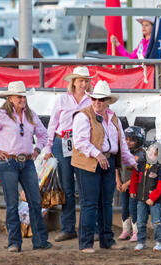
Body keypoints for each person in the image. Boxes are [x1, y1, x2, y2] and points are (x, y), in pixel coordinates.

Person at [0, 81, 52, 252]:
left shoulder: (30, 115)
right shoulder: (1, 115)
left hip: (24, 161)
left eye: (23, 96)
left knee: (35, 201)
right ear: (10, 98)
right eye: (19, 97)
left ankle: (35, 241)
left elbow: (43, 134)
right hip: (8, 161)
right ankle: (15, 241)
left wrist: (38, 149)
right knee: (13, 202)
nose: (22, 99)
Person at [71, 80, 137, 254]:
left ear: (108, 101)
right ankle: (86, 243)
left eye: (100, 100)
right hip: (89, 164)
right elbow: (80, 142)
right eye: (94, 99)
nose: (97, 102)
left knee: (105, 203)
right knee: (90, 203)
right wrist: (98, 154)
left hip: (107, 161)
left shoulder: (113, 117)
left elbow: (121, 141)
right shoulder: (83, 116)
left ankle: (106, 239)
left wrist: (131, 161)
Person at [43, 66, 94, 242]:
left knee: (85, 185)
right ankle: (68, 227)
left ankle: (87, 228)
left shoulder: (91, 100)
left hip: (81, 143)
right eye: (81, 80)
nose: (84, 84)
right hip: (62, 140)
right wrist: (48, 147)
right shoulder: (62, 99)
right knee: (67, 188)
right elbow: (53, 123)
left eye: (86, 80)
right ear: (73, 82)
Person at [130, 140, 161, 252]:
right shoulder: (141, 164)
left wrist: (152, 198)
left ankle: (160, 242)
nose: (150, 152)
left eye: (154, 150)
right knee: (140, 221)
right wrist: (133, 190)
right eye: (150, 149)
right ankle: (141, 241)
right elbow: (134, 177)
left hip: (155, 200)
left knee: (156, 221)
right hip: (141, 198)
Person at [116, 125, 146, 241]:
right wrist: (118, 181)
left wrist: (126, 184)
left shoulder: (140, 155)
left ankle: (136, 232)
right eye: (127, 139)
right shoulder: (121, 153)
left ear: (139, 141)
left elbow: (137, 174)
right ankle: (125, 230)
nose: (128, 142)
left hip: (134, 187)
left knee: (133, 207)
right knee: (124, 208)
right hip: (123, 186)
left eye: (132, 140)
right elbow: (117, 168)